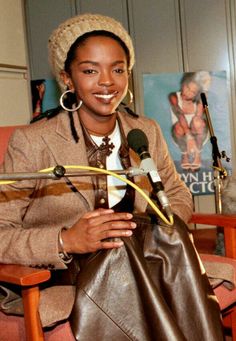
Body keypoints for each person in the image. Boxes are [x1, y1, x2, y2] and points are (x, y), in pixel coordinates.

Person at [0, 13, 224, 341]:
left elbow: (176, 193)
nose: (107, 82)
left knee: (160, 232)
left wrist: (160, 226)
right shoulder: (34, 142)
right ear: (67, 78)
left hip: (141, 258)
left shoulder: (143, 131)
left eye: (118, 69)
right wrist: (66, 239)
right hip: (61, 271)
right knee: (120, 249)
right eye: (90, 70)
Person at [169, 71, 210, 171]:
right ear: (183, 84)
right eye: (187, 88)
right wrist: (189, 137)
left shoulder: (200, 98)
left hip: (199, 134)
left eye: (193, 92)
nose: (188, 93)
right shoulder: (174, 96)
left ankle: (198, 155)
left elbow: (198, 117)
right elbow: (180, 115)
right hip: (180, 135)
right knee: (179, 126)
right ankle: (184, 155)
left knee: (197, 121)